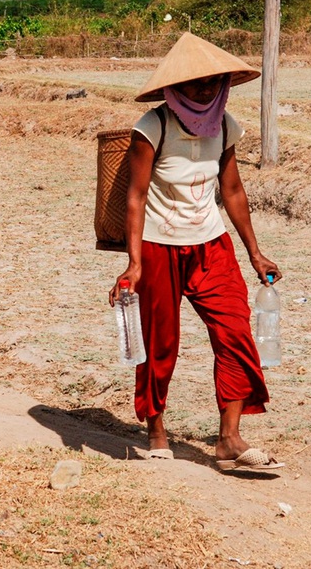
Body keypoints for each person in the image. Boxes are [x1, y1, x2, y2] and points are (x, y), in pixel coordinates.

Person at [108, 32, 283, 472]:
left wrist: (255, 253)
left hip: (211, 244)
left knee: (235, 334)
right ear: (176, 86)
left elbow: (233, 189)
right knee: (159, 342)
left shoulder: (225, 124)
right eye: (196, 82)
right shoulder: (152, 127)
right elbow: (136, 196)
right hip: (159, 246)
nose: (206, 89)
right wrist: (133, 263)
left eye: (214, 81)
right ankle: (157, 430)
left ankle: (228, 439)